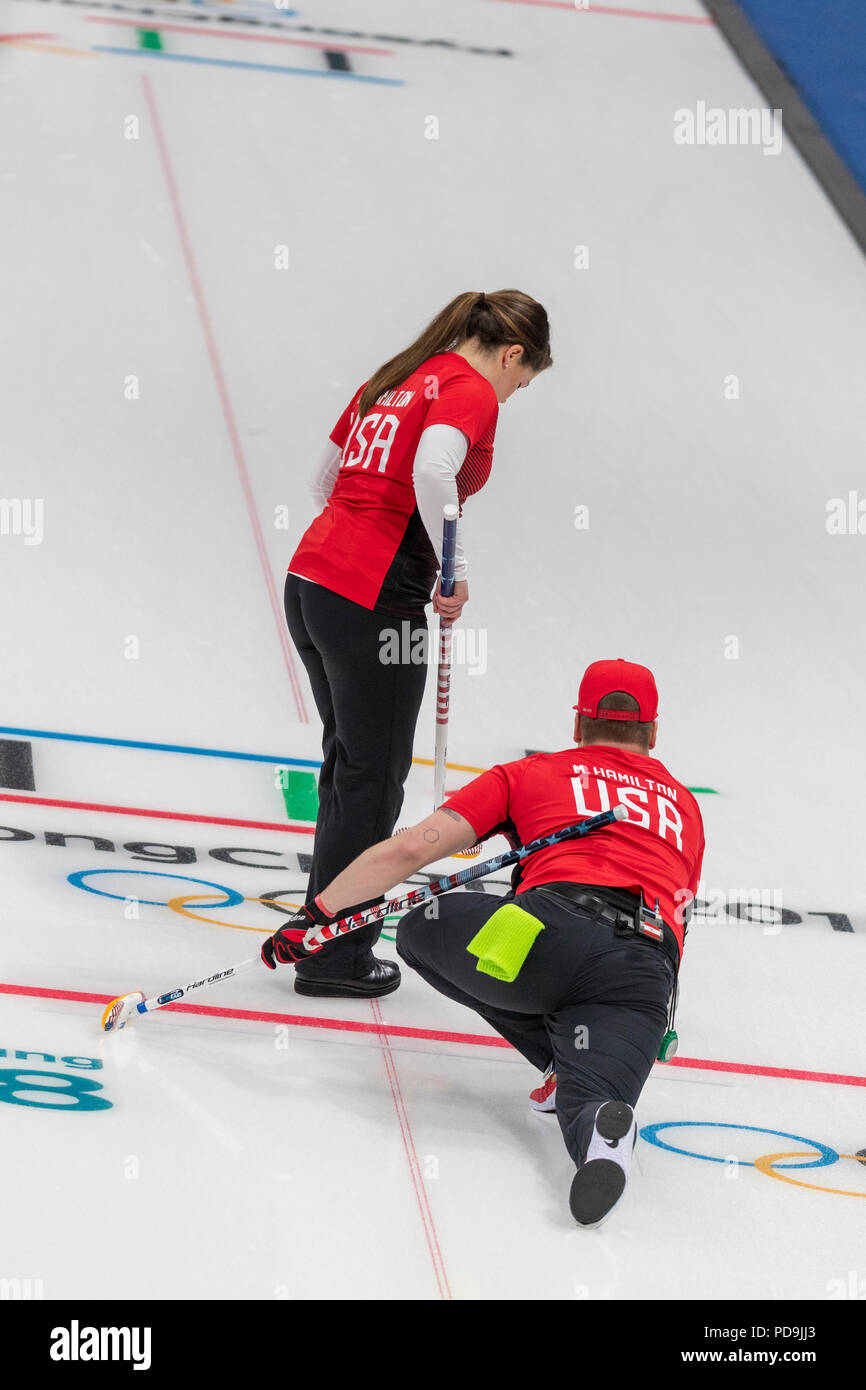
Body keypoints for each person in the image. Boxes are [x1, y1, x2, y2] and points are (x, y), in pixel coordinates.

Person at [261, 659, 705, 1227]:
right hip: (643, 964)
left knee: (425, 921)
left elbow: (409, 851)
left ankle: (561, 1063)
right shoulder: (684, 807)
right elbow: (682, 918)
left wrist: (317, 914)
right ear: (653, 732)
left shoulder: (532, 773)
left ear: (577, 725)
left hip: (543, 932)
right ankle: (598, 1126)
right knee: (593, 1093)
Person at [283, 290, 552, 1000]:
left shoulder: (396, 377)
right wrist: (451, 570)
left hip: (313, 582)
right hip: (375, 603)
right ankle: (334, 954)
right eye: (518, 384)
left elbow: (323, 479)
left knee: (349, 769)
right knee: (371, 784)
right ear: (512, 353)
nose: (510, 396)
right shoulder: (469, 389)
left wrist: (358, 542)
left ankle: (321, 930)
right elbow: (433, 469)